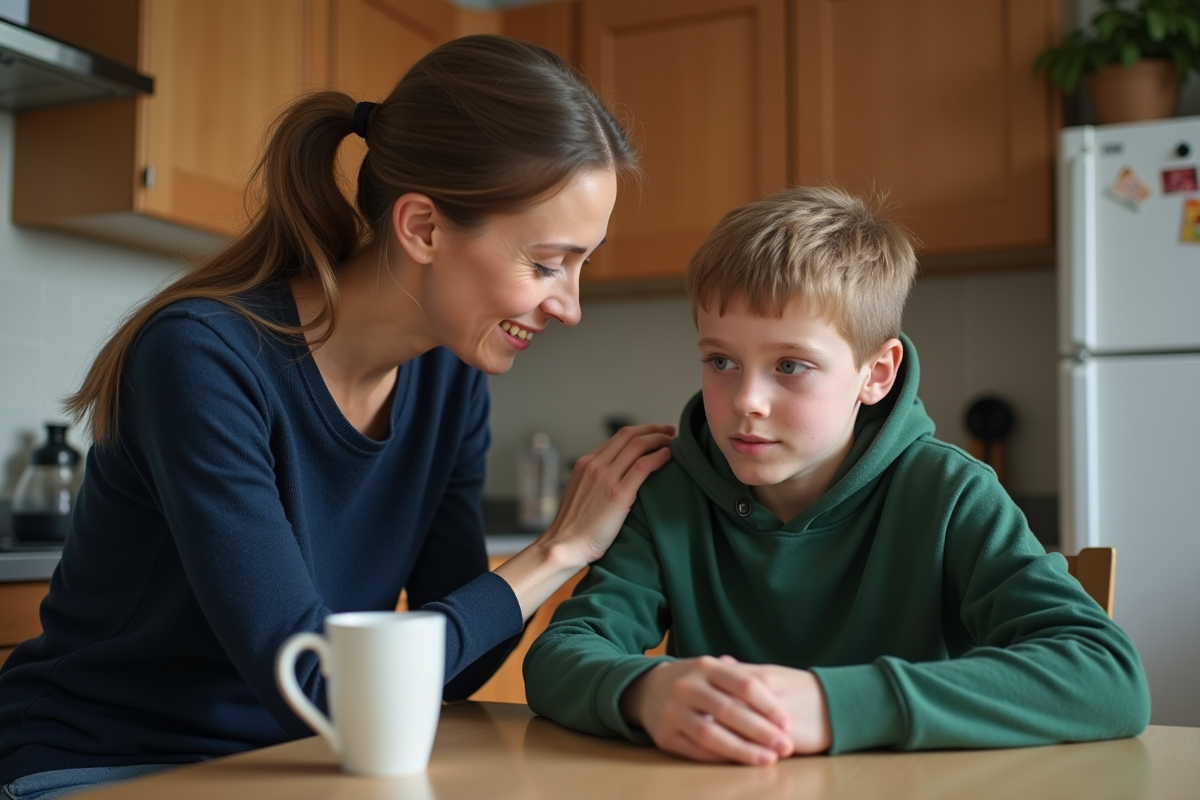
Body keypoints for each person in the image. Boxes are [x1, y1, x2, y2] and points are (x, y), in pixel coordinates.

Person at [0, 34, 675, 797]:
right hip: (104, 760)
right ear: (422, 227)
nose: (571, 305)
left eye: (582, 263)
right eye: (548, 263)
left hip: (298, 764)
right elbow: (315, 682)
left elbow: (463, 668)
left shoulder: (452, 383)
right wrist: (555, 552)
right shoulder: (201, 359)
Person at [522, 185, 1151, 765]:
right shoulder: (668, 494)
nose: (747, 400)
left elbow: (1106, 676)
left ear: (876, 374)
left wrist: (827, 705)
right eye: (721, 360)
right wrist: (646, 690)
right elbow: (559, 656)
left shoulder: (949, 493)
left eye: (790, 366)